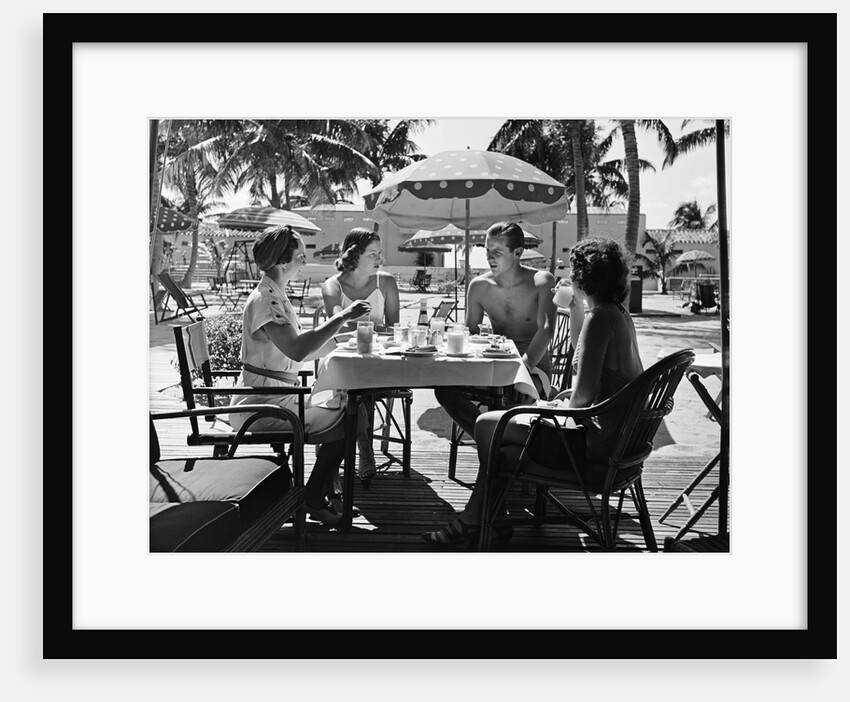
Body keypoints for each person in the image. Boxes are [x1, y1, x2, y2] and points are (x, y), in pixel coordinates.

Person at [423, 237, 645, 548]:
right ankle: (487, 518)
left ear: (583, 275)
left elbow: (582, 400)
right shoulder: (617, 313)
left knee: (491, 426)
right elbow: (601, 384)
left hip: (596, 445)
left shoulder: (600, 319)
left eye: (573, 269)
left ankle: (479, 520)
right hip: (623, 440)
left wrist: (550, 407)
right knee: (498, 432)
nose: (568, 274)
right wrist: (561, 396)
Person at [228, 225, 371, 526]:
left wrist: (339, 341)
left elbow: (297, 350)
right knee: (350, 414)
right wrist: (342, 316)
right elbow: (295, 349)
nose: (304, 262)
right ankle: (314, 496)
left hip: (274, 395)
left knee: (348, 409)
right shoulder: (267, 300)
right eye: (300, 256)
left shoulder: (273, 294)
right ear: (282, 262)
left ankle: (321, 491)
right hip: (263, 405)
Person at [434, 221, 556, 441]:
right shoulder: (479, 286)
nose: (490, 258)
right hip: (494, 363)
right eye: (487, 251)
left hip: (534, 365)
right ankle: (492, 445)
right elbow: (470, 333)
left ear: (517, 252)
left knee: (514, 394)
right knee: (444, 390)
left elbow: (547, 330)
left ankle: (494, 449)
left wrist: (523, 367)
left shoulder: (541, 281)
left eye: (497, 252)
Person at [321, 228, 401, 484]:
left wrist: (364, 329)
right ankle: (365, 448)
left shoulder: (386, 282)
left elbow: (395, 329)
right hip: (346, 362)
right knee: (355, 381)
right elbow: (338, 324)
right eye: (373, 253)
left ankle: (338, 460)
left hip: (380, 363)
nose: (380, 258)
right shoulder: (332, 285)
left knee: (359, 382)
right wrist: (371, 329)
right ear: (354, 254)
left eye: (380, 252)